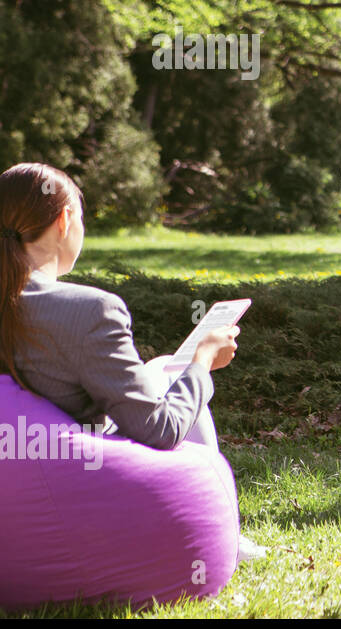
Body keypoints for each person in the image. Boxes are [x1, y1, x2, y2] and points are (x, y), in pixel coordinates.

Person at [0, 162, 264, 561]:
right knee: (179, 373)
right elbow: (159, 430)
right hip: (80, 482)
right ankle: (222, 529)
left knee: (163, 368)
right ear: (64, 220)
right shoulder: (90, 311)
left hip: (18, 470)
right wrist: (202, 362)